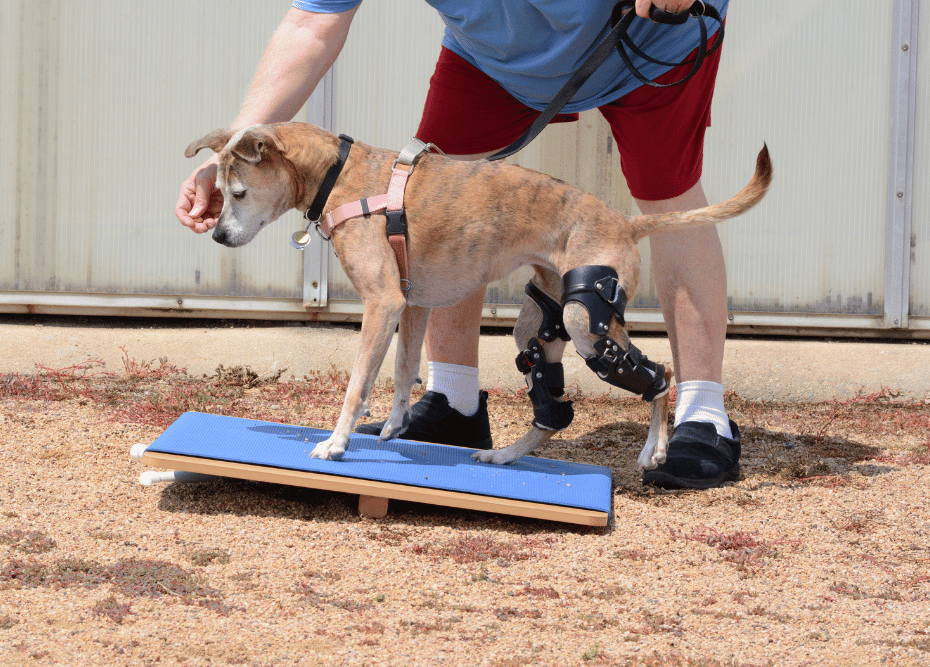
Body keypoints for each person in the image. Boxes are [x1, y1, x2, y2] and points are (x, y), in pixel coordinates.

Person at [176, 0, 739, 490]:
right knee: (429, 198)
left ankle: (701, 413)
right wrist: (228, 155)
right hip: (494, 57)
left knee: (669, 195)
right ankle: (454, 401)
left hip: (646, 37)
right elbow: (310, 25)